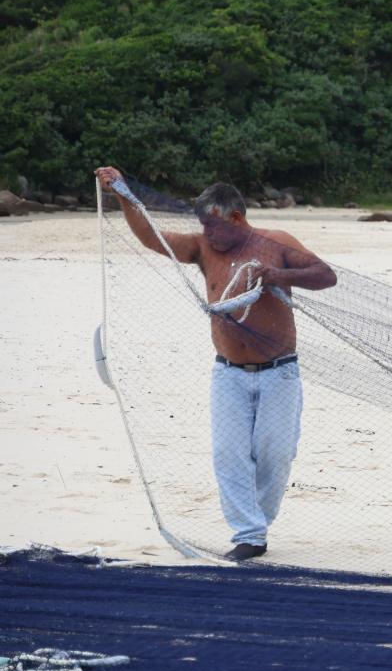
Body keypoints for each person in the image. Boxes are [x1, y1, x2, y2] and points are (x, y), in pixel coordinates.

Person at [96, 167, 337, 561]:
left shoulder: (275, 243)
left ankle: (258, 519)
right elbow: (153, 239)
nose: (207, 233)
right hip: (228, 374)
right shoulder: (202, 249)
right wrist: (123, 194)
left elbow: (325, 275)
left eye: (212, 225)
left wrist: (275, 274)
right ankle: (249, 534)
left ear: (236, 218)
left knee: (275, 455)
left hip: (280, 373)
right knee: (229, 454)